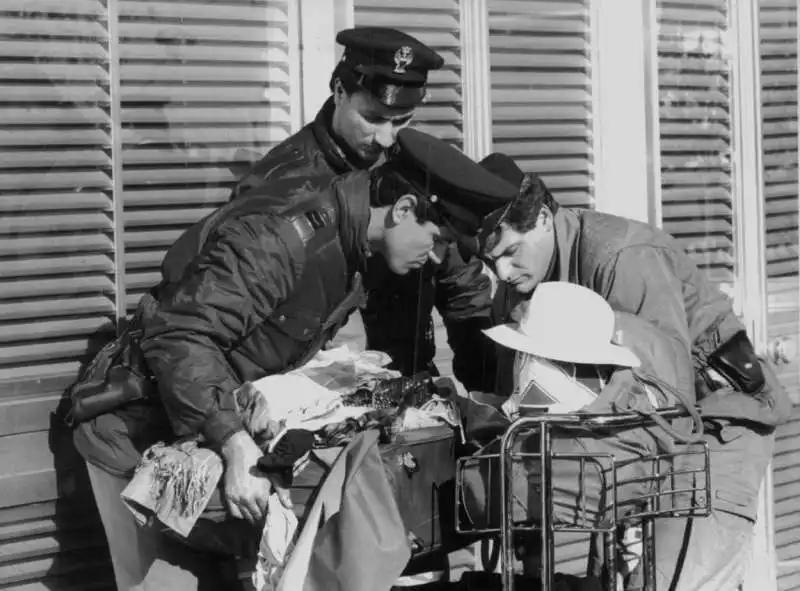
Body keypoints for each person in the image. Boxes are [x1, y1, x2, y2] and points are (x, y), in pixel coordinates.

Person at [72, 129, 518, 591]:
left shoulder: (354, 244)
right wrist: (233, 441)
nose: (438, 257)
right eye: (439, 240)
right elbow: (180, 334)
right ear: (402, 210)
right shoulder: (283, 238)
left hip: (200, 437)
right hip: (135, 433)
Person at [471, 153, 791, 589]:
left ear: (544, 218)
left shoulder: (623, 257)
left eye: (510, 252)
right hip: (631, 435)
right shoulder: (519, 286)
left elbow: (667, 397)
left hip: (716, 420)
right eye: (491, 263)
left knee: (671, 582)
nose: (502, 273)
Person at [230, 26, 498, 391]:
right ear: (340, 91)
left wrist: (487, 394)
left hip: (408, 387)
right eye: (373, 118)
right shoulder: (278, 187)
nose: (387, 137)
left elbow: (462, 287)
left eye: (401, 121)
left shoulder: (414, 166)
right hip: (311, 401)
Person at [463, 281, 704, 589]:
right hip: (623, 482)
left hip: (565, 484)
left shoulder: (540, 366)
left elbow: (523, 412)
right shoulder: (625, 383)